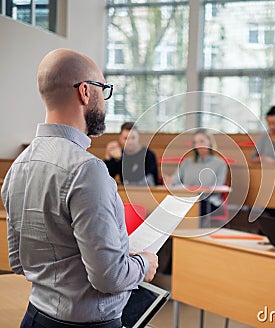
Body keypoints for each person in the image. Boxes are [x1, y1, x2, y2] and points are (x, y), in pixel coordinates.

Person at [1, 48, 158, 328]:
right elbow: (110, 278)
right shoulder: (88, 169)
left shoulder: (18, 166)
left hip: (36, 317)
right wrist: (145, 264)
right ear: (85, 92)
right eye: (104, 90)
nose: (105, 102)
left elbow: (19, 262)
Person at [164, 128, 228, 222]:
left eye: (201, 141)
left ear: (210, 142)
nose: (198, 145)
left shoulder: (220, 164)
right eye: (196, 142)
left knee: (189, 208)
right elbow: (175, 180)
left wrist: (198, 191)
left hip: (208, 202)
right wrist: (170, 180)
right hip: (187, 199)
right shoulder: (187, 162)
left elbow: (218, 187)